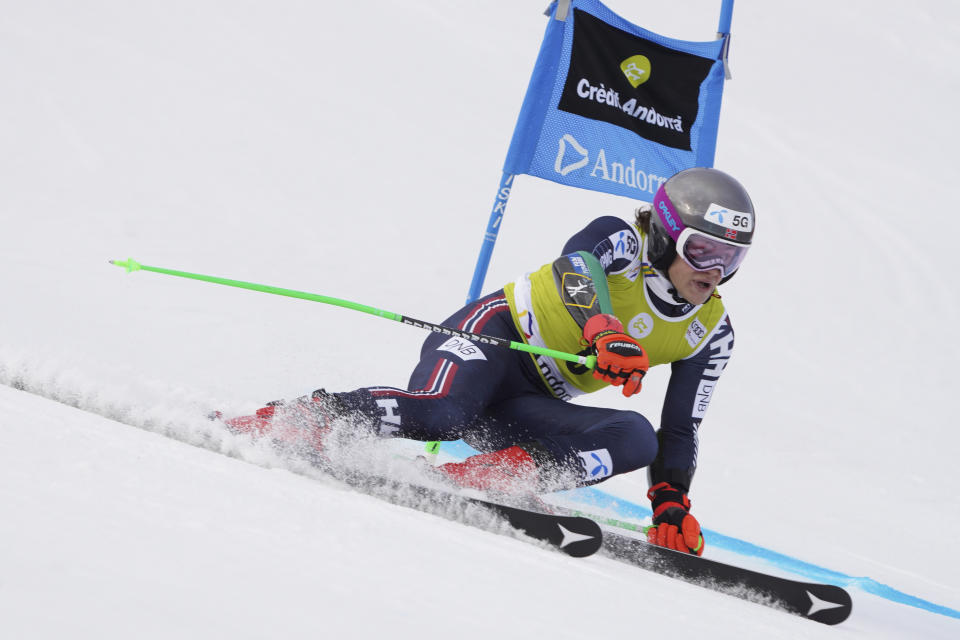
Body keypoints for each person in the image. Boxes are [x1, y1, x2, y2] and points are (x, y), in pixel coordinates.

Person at [225, 167, 755, 557]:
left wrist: (670, 500)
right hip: (493, 338)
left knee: (637, 438)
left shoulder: (712, 332)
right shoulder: (622, 240)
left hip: (529, 402)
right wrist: (602, 329)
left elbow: (680, 428)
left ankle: (485, 477)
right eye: (703, 251)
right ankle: (299, 417)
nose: (714, 271)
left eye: (731, 258)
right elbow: (578, 261)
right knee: (440, 414)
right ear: (664, 234)